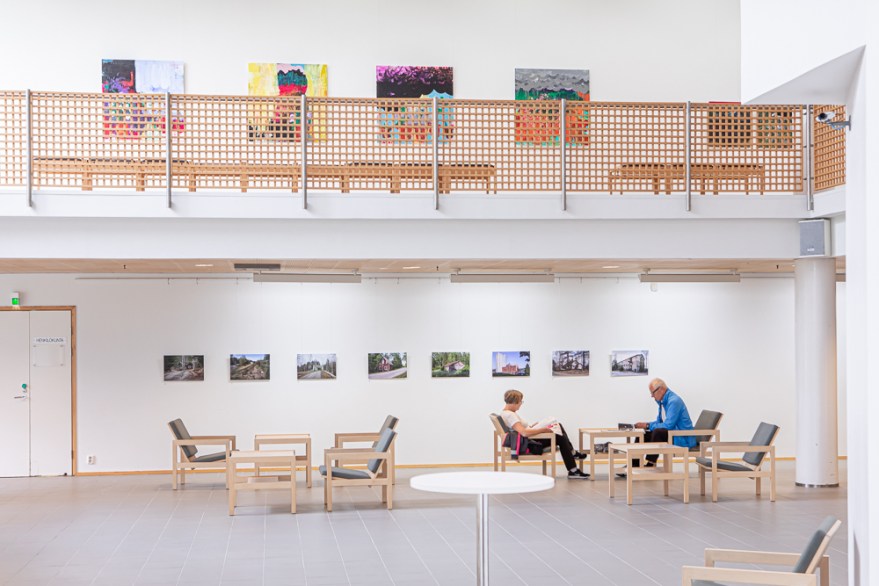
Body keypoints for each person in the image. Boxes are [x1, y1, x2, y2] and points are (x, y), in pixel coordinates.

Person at [499, 389, 590, 479]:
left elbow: (520, 429)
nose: (520, 404)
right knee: (560, 438)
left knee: (558, 426)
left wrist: (532, 426)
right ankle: (573, 466)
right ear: (514, 402)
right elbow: (524, 433)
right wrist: (542, 430)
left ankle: (573, 457)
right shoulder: (510, 415)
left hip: (529, 439)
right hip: (530, 443)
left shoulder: (507, 413)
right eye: (520, 402)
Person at [633, 378, 696, 466]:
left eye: (653, 392)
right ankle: (634, 464)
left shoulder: (674, 401)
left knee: (658, 432)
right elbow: (659, 422)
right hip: (673, 435)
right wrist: (645, 425)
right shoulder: (662, 402)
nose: (652, 396)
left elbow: (668, 425)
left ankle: (650, 463)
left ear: (661, 389)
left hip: (682, 438)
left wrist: (647, 425)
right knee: (643, 435)